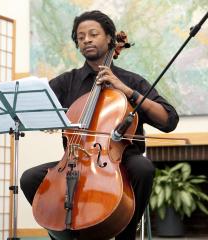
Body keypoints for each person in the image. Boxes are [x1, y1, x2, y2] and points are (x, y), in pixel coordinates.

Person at [20, 10, 179, 240]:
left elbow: (169, 120)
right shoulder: (67, 82)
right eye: (81, 36)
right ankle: (65, 235)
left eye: (93, 34)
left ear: (110, 39)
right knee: (30, 178)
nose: (86, 39)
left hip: (121, 158)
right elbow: (34, 111)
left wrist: (126, 91)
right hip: (74, 159)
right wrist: (46, 119)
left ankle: (126, 234)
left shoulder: (131, 80)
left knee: (143, 169)